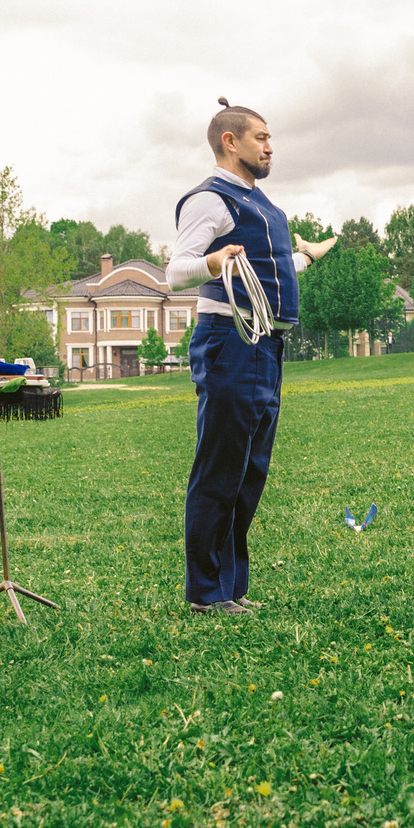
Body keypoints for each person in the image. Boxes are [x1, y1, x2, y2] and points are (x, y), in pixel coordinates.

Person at [167, 100, 339, 613]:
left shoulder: (264, 207)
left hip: (268, 346)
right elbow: (175, 272)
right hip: (230, 344)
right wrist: (213, 261)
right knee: (221, 469)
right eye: (260, 137)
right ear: (230, 141)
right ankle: (205, 593)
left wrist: (306, 255)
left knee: (249, 472)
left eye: (270, 138)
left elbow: (268, 269)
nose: (269, 146)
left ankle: (231, 590)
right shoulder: (209, 200)